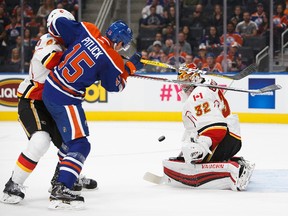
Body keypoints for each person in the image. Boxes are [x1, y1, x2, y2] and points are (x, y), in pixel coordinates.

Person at [42, 10, 143, 209]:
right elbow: (116, 86)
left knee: (70, 142)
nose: (123, 49)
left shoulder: (88, 29)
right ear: (120, 42)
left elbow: (58, 24)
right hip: (65, 98)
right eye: (124, 45)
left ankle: (62, 176)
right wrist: (129, 68)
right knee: (80, 145)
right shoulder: (113, 59)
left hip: (51, 87)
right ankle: (61, 189)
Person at [1, 9, 97, 205]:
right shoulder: (48, 41)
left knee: (72, 144)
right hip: (34, 101)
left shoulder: (72, 44)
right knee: (40, 140)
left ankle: (61, 181)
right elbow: (53, 61)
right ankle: (13, 184)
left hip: (57, 102)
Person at [159, 66, 255, 191]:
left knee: (194, 154)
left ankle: (235, 171)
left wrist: (200, 147)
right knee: (190, 146)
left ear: (193, 79)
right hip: (233, 136)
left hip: (222, 139)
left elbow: (216, 128)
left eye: (184, 82)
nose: (182, 86)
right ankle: (238, 164)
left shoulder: (197, 96)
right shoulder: (208, 84)